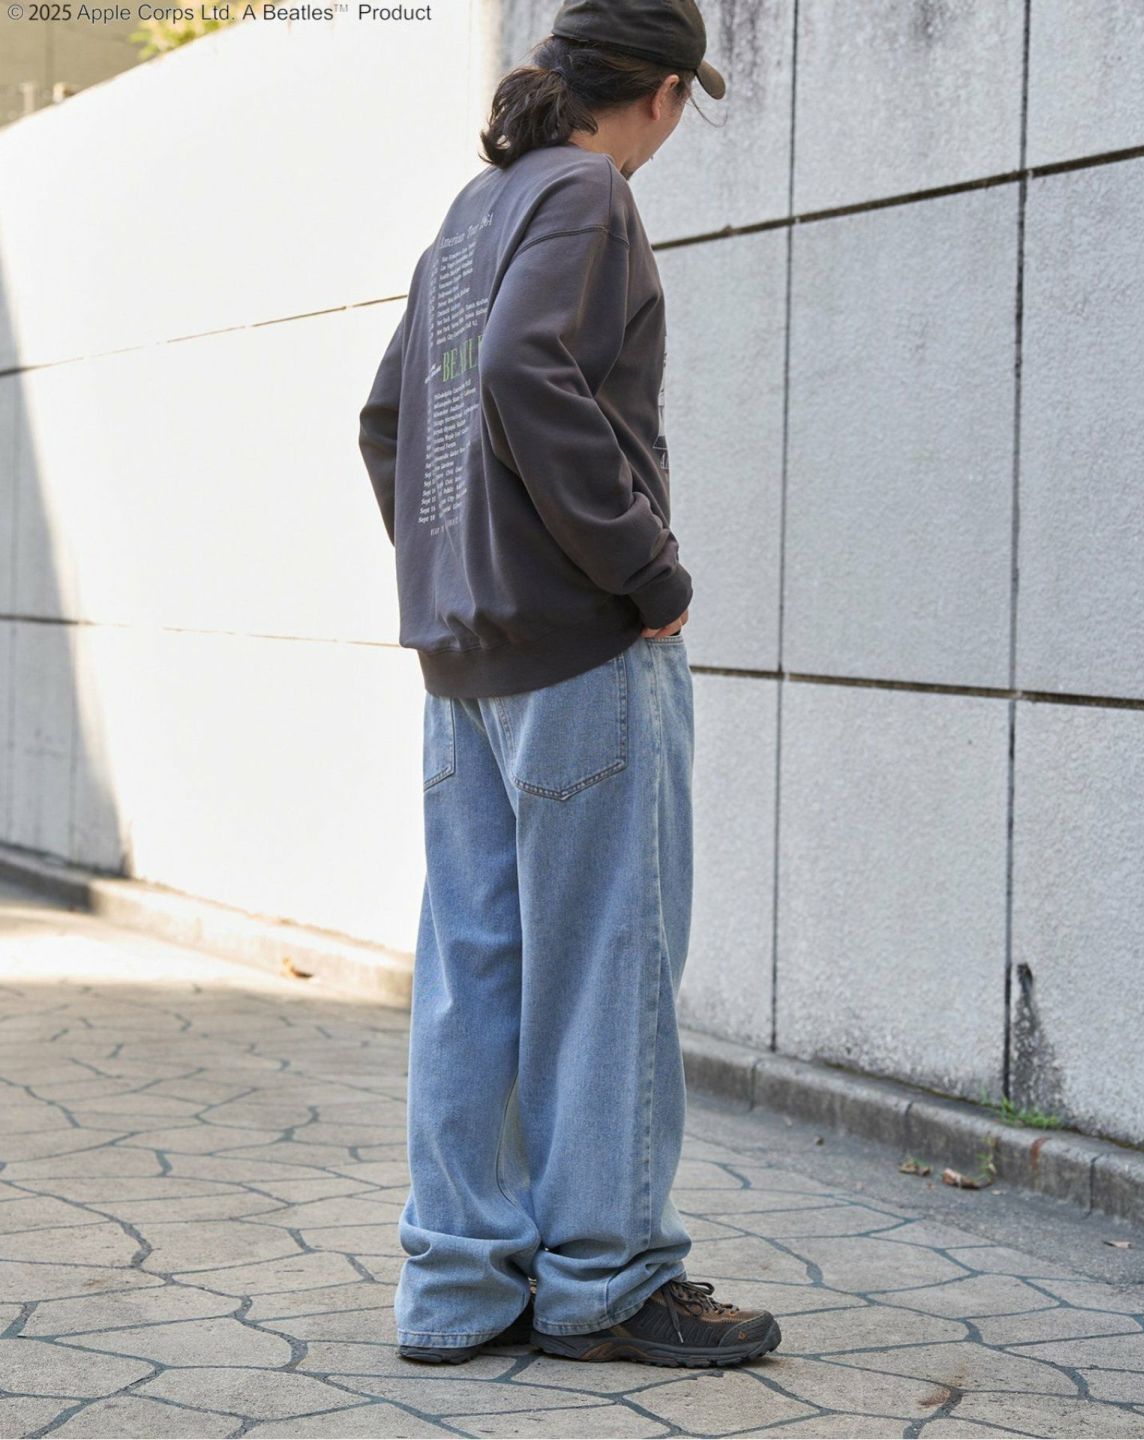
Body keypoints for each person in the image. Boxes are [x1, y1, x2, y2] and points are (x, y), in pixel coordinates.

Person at [357, 0, 782, 1370]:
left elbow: (388, 419)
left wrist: (452, 570)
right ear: (660, 92)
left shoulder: (473, 212)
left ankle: (459, 1286)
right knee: (606, 963)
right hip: (583, 651)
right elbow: (522, 370)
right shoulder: (588, 192)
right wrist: (645, 570)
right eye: (684, 101)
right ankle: (605, 1276)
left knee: (473, 969)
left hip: (466, 661)